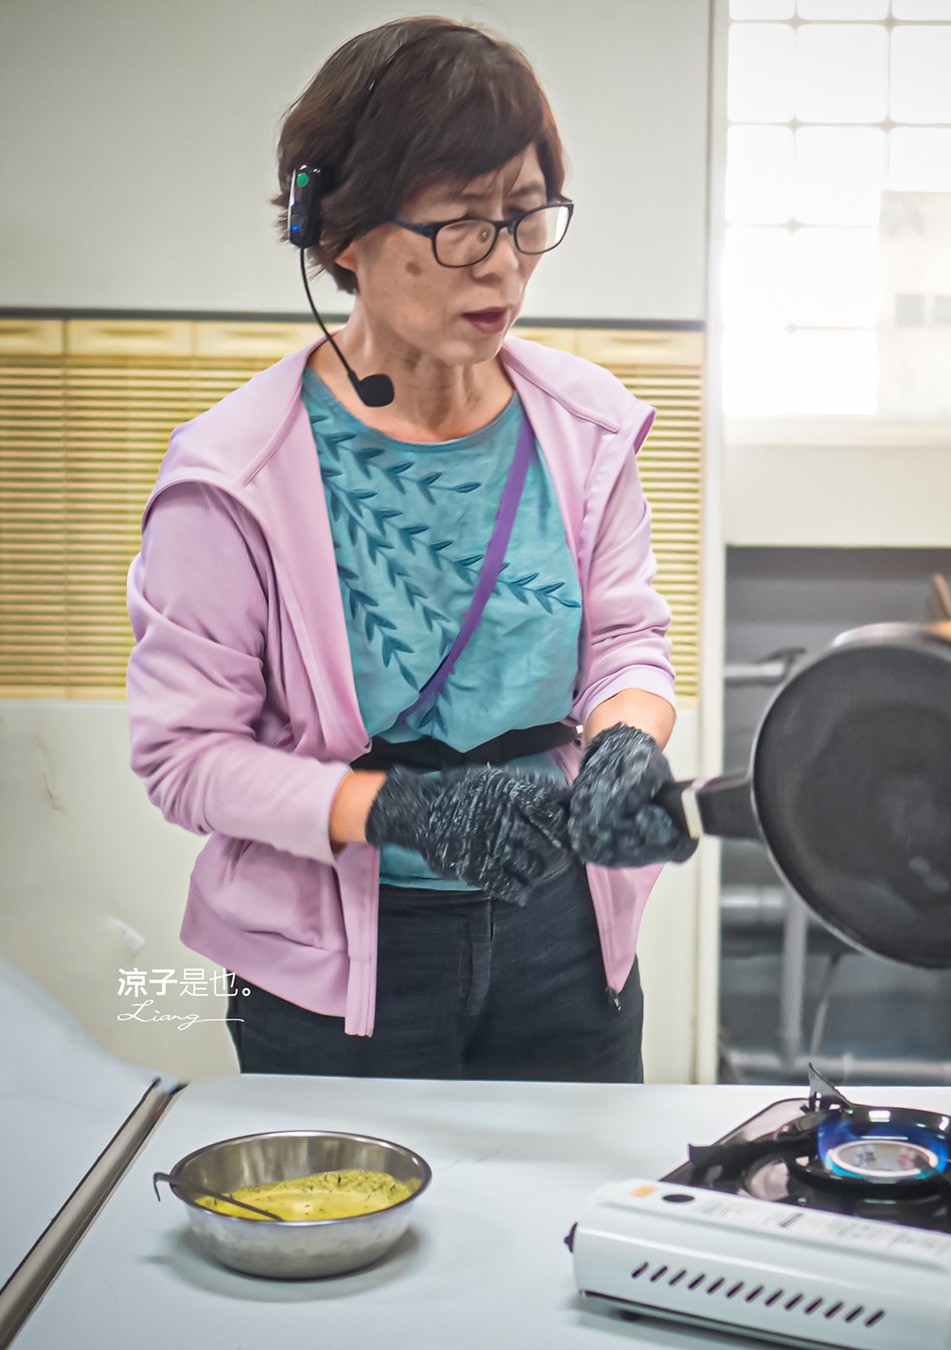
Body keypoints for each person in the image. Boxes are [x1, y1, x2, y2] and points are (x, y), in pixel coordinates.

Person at [125, 16, 693, 1082]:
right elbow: (183, 756)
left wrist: (626, 740)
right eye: (462, 226)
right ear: (340, 232)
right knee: (347, 1232)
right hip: (331, 967)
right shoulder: (235, 473)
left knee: (563, 1232)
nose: (506, 265)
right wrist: (395, 810)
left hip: (561, 942)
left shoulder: (586, 427)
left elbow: (626, 643)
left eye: (526, 219)